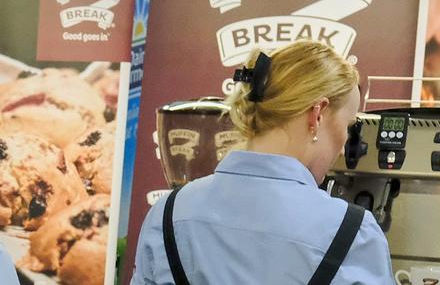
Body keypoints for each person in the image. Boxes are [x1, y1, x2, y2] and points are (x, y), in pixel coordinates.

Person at [131, 40, 394, 284]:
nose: (344, 145)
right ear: (317, 114)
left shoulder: (167, 214)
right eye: (348, 125)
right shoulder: (354, 234)